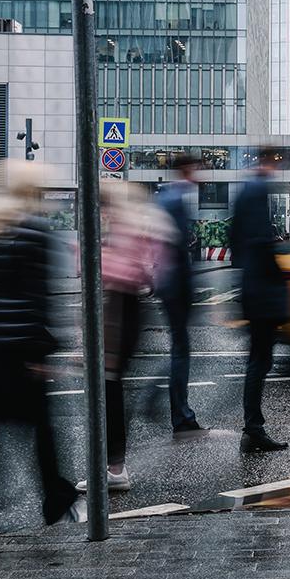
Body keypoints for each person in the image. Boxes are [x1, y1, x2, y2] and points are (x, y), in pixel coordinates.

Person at [0, 160, 83, 538]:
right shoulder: (35, 232)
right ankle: (51, 496)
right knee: (40, 429)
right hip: (25, 346)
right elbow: (37, 297)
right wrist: (43, 350)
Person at [77, 182, 175, 492]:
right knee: (108, 385)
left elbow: (131, 271)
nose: (101, 210)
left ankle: (115, 467)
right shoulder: (131, 223)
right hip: (122, 307)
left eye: (102, 204)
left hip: (120, 308)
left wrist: (91, 258)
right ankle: (112, 465)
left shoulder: (127, 225)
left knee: (108, 386)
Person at [231, 148, 290, 453]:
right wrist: (280, 280)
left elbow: (236, 241)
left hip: (253, 287)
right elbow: (257, 243)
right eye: (278, 163)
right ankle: (253, 428)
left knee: (259, 360)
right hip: (261, 292)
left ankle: (253, 427)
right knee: (259, 361)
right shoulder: (256, 190)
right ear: (268, 162)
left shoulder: (246, 190)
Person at [156, 153, 203, 435]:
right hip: (175, 285)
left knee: (180, 348)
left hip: (167, 282)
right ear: (187, 169)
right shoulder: (175, 201)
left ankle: (181, 413)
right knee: (180, 351)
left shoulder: (166, 197)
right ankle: (181, 415)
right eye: (197, 168)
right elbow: (176, 246)